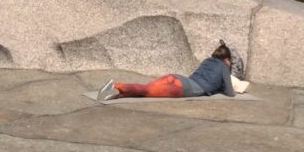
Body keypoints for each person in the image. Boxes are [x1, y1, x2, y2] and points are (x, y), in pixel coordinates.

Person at [97, 44, 236, 101]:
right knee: (147, 90)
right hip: (189, 88)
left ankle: (122, 93)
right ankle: (116, 85)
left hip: (178, 78)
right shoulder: (224, 66)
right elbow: (230, 93)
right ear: (227, 59)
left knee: (148, 89)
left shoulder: (207, 60)